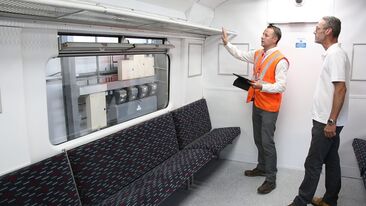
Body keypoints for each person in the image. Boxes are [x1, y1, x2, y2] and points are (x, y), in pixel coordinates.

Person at [288, 16, 350, 206]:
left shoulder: (335, 55)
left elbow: (341, 88)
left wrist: (331, 121)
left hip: (327, 122)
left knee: (313, 162)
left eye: (318, 28)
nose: (315, 31)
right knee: (331, 161)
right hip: (329, 120)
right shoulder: (333, 54)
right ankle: (330, 200)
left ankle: (301, 201)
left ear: (328, 31)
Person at [222, 24, 289, 194]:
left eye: (266, 35)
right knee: (258, 139)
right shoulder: (259, 54)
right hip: (257, 103)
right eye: (263, 34)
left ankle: (271, 179)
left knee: (267, 142)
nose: (262, 36)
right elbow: (241, 55)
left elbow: (281, 86)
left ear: (275, 39)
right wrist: (227, 44)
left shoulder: (280, 60)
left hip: (270, 107)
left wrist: (261, 87)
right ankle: (262, 168)